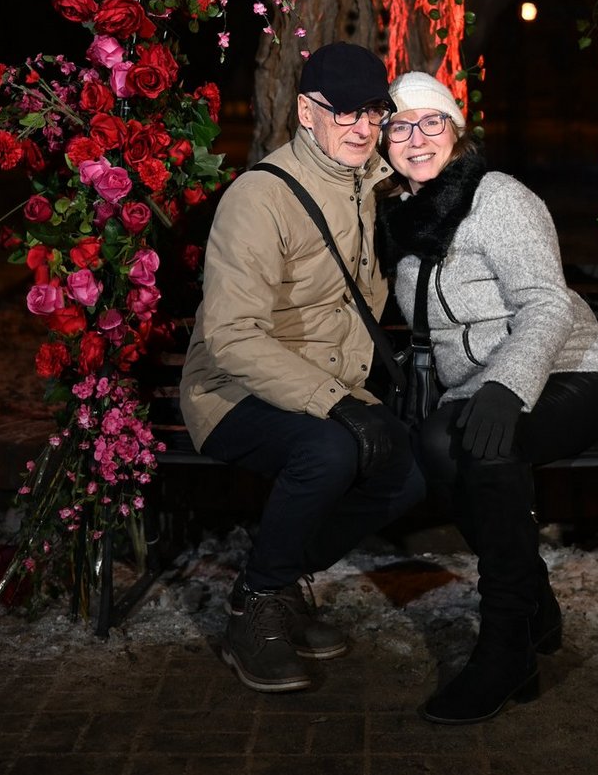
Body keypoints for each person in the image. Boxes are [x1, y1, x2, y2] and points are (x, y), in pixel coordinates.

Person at [376, 70, 598, 725]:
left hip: (571, 372)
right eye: (400, 125)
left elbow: (545, 305)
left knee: (490, 446)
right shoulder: (402, 217)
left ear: (456, 131)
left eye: (431, 121)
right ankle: (536, 602)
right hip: (479, 390)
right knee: (437, 442)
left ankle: (505, 643)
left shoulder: (497, 197)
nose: (416, 136)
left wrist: (505, 387)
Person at [180, 42, 425, 694]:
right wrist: (336, 401)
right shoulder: (259, 197)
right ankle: (255, 605)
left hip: (327, 385)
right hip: (231, 390)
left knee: (408, 468)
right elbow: (231, 337)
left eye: (372, 110)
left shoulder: (371, 184)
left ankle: (278, 577)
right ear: (305, 113)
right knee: (329, 449)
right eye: (341, 111)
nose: (361, 126)